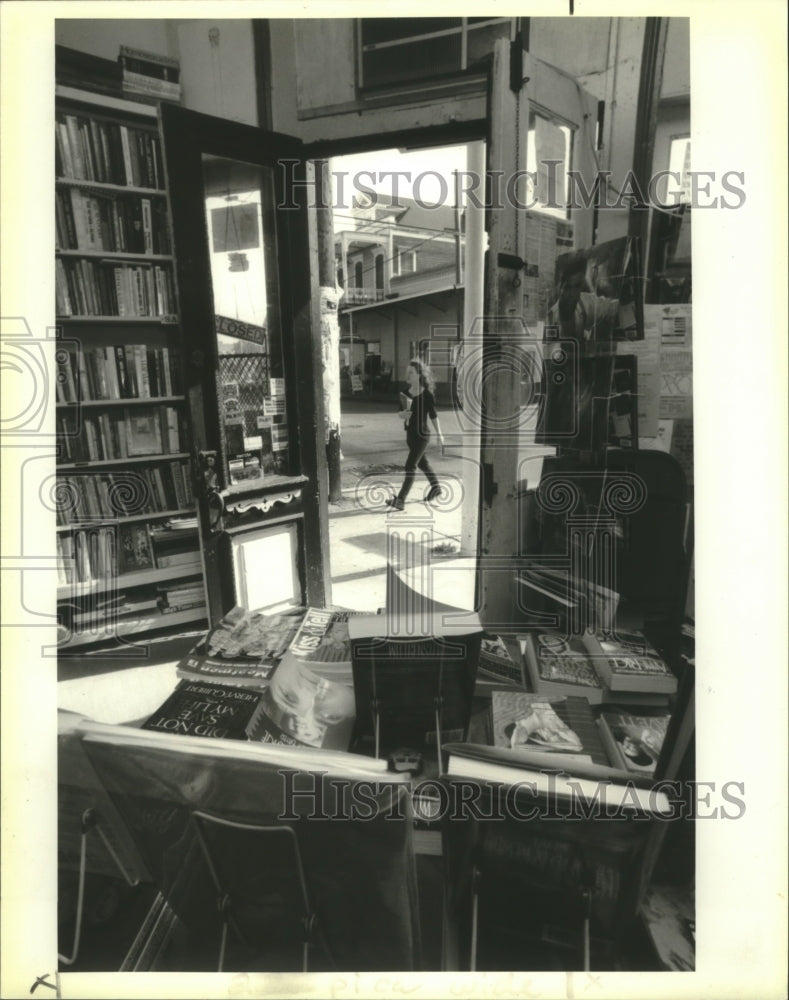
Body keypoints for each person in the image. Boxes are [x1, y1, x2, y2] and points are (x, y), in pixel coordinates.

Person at [385, 359, 445, 511]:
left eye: (411, 372)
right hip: (410, 435)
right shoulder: (405, 393)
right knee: (423, 464)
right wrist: (403, 414)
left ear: (419, 375)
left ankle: (400, 500)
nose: (408, 375)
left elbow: (433, 416)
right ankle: (436, 488)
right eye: (407, 372)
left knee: (410, 465)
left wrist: (440, 434)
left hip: (422, 435)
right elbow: (400, 414)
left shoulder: (427, 395)